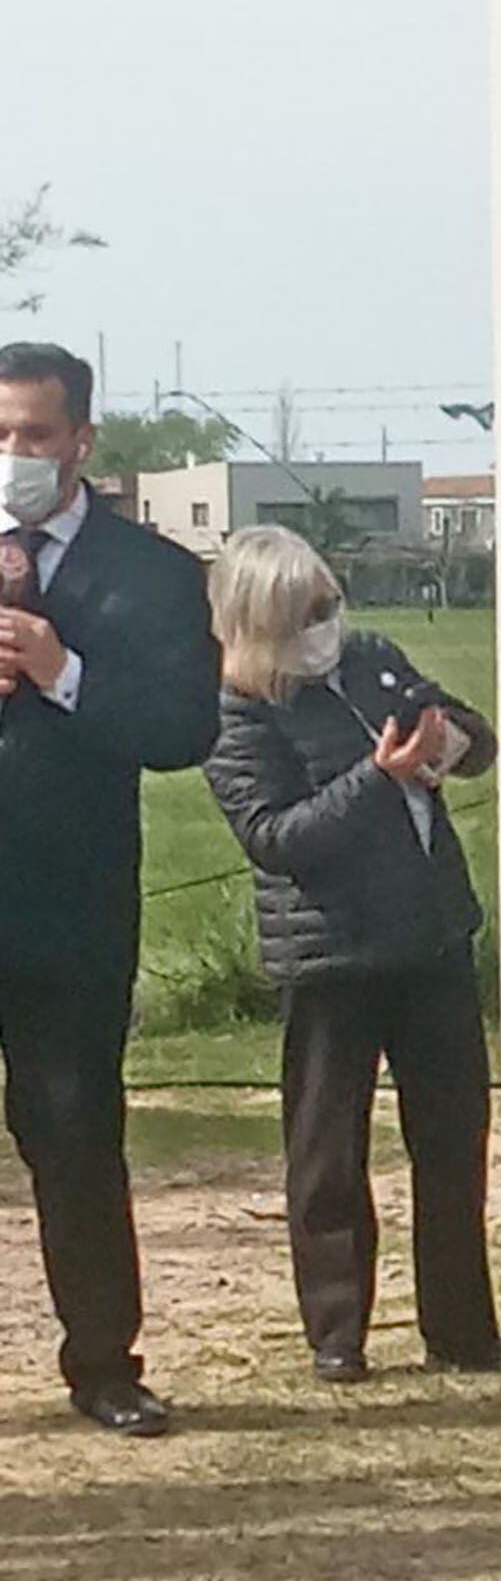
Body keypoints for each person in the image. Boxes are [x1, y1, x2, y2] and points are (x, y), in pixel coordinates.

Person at [204, 527, 501, 1385]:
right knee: (327, 1153)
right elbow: (275, 836)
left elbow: (468, 733)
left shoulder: (372, 657)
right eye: (306, 612)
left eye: (329, 601)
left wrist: (455, 740)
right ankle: (338, 1330)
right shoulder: (240, 711)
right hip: (332, 954)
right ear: (259, 622)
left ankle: (462, 1327)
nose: (327, 622)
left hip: (430, 935)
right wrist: (376, 779)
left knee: (454, 1138)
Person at [0, 340, 221, 1438]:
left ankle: (104, 1360)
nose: (13, 456)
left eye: (33, 436)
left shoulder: (152, 575)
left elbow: (181, 727)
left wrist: (60, 671)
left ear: (81, 442)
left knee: (76, 1129)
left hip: (68, 908)